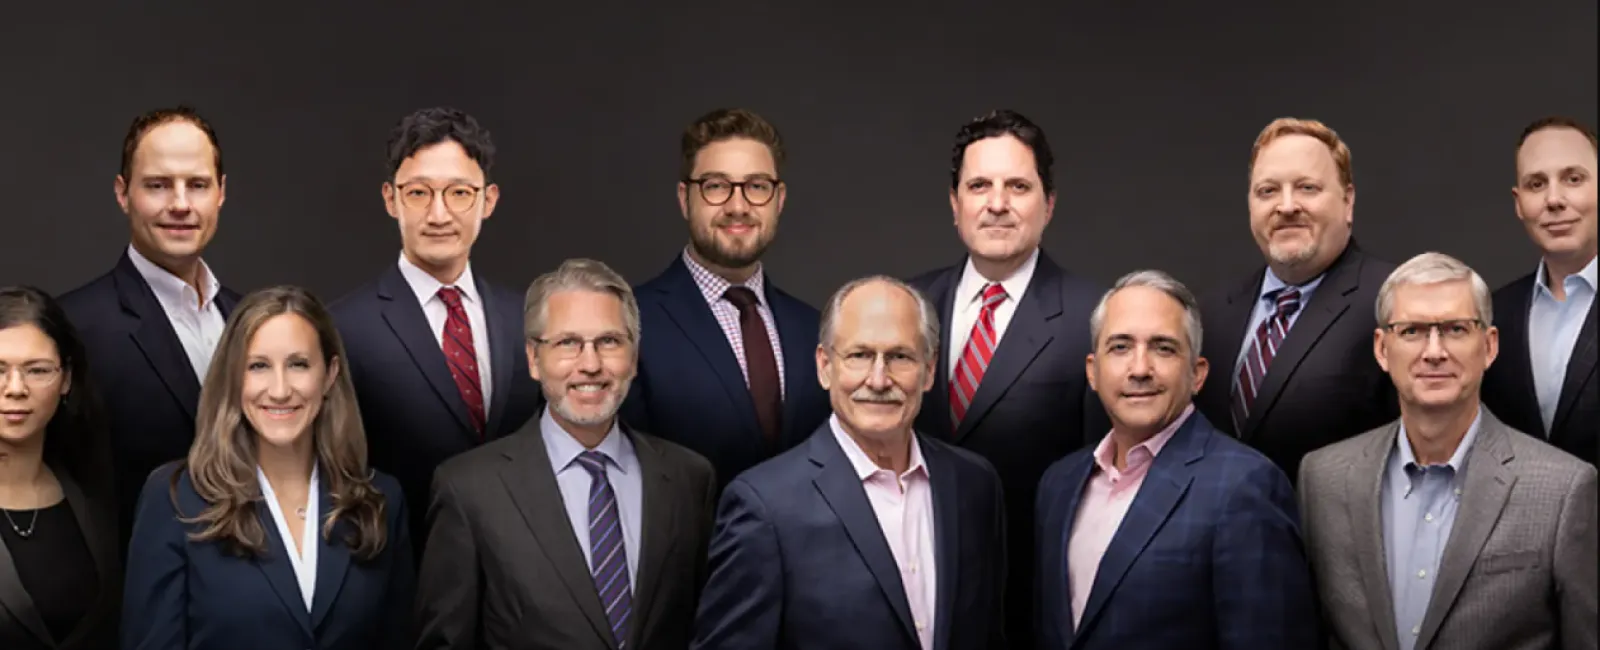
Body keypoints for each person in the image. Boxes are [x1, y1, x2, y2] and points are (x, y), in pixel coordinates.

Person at [1299, 252, 1597, 650]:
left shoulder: (1563, 489)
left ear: (1489, 346)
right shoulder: (1323, 479)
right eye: (1411, 331)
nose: (1434, 351)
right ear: (1382, 349)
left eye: (1456, 329)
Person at [415, 259, 717, 650]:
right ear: (533, 360)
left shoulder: (689, 479)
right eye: (567, 343)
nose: (590, 364)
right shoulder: (468, 491)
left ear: (634, 357)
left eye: (609, 342)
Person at [693, 276, 1006, 650]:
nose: (878, 379)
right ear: (825, 367)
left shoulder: (974, 483)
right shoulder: (765, 507)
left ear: (929, 369)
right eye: (859, 355)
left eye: (900, 357)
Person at [1035, 270, 1319, 649]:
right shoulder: (1059, 484)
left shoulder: (1246, 486)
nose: (1140, 369)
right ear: (1093, 371)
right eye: (1120, 347)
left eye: (1163, 348)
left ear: (1197, 374)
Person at [121, 286, 415, 650]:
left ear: (329, 375)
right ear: (233, 378)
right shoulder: (176, 497)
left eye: (298, 365)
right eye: (258, 366)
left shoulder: (380, 500)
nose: (279, 390)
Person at [907, 109, 1105, 647]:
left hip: (1032, 606)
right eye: (979, 186)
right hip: (915, 602)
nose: (997, 204)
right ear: (955, 204)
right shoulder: (906, 307)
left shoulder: (1095, 318)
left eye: (1018, 185)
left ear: (1049, 204)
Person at [330, 107, 542, 558]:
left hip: (519, 580)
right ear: (391, 199)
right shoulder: (344, 328)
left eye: (460, 192)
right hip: (399, 568)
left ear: (489, 200)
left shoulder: (526, 317)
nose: (439, 213)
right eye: (419, 193)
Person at [58, 106, 242, 546]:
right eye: (158, 185)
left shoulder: (249, 320)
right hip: (134, 597)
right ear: (123, 194)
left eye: (197, 185)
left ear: (220, 192)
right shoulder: (73, 327)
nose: (180, 204)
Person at [622, 108, 830, 490]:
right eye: (716, 186)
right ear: (685, 199)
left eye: (756, 185)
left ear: (779, 199)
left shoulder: (814, 329)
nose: (738, 206)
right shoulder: (630, 323)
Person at [1195, 117, 1399, 485]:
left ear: (1348, 200)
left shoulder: (1393, 300)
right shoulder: (1211, 314)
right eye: (1268, 191)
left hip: (1333, 539)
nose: (1286, 206)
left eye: (1307, 188)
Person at [0, 287, 121, 650]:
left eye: (37, 370)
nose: (15, 389)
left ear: (66, 379)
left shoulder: (91, 495)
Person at [1482, 116, 1597, 465]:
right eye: (1536, 184)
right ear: (1519, 203)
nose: (1554, 199)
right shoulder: (1493, 313)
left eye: (1573, 179)